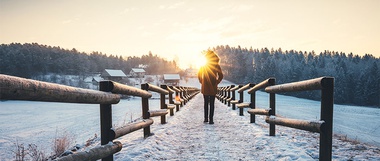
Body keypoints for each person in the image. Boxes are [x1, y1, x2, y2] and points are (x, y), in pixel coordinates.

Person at [198, 50, 223, 124]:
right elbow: (221, 76)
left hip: (205, 86)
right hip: (213, 86)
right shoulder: (216, 65)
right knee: (212, 103)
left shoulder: (204, 65)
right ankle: (211, 119)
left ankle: (206, 118)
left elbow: (199, 74)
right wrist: (216, 82)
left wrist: (202, 82)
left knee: (206, 103)